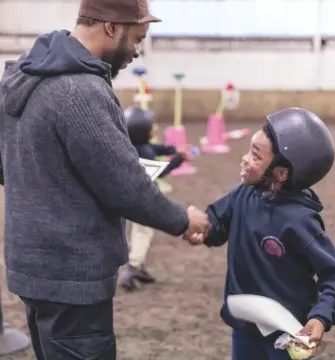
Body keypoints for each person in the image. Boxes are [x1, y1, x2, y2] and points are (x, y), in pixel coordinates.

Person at [0, 0, 210, 359]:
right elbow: (126, 186)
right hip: (72, 277)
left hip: (31, 269)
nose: (137, 50)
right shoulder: (80, 91)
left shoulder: (21, 75)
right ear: (110, 27)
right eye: (136, 37)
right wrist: (182, 219)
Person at [186, 108, 335, 360]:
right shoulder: (243, 194)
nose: (244, 159)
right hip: (245, 326)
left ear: (282, 173)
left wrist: (320, 318)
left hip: (287, 335)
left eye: (255, 156)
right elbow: (217, 224)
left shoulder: (299, 220)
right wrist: (202, 228)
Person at [119, 107, 187, 290]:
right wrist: (179, 159)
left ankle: (138, 266)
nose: (154, 129)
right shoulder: (145, 154)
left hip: (131, 196)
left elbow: (154, 148)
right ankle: (132, 267)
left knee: (140, 232)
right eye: (151, 127)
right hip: (143, 199)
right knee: (143, 231)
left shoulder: (131, 145)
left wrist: (172, 149)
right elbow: (161, 171)